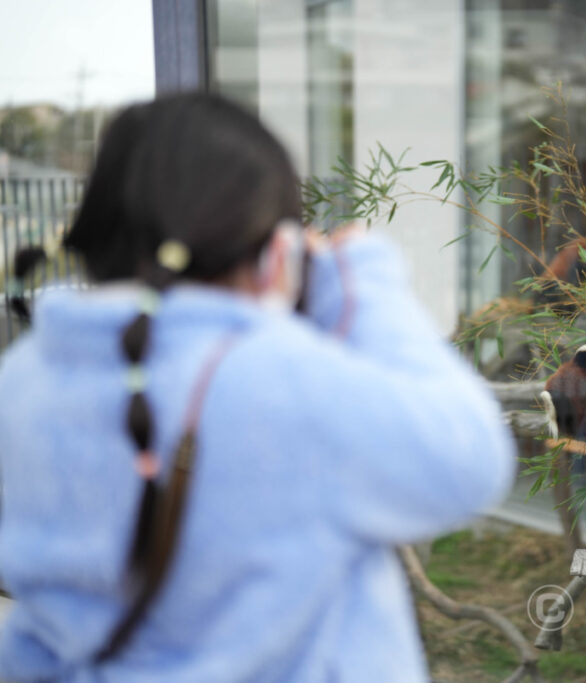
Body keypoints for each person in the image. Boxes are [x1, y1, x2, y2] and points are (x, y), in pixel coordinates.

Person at [0, 93, 515, 681]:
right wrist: (357, 282)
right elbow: (471, 457)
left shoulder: (25, 378)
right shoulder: (281, 383)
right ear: (278, 254)